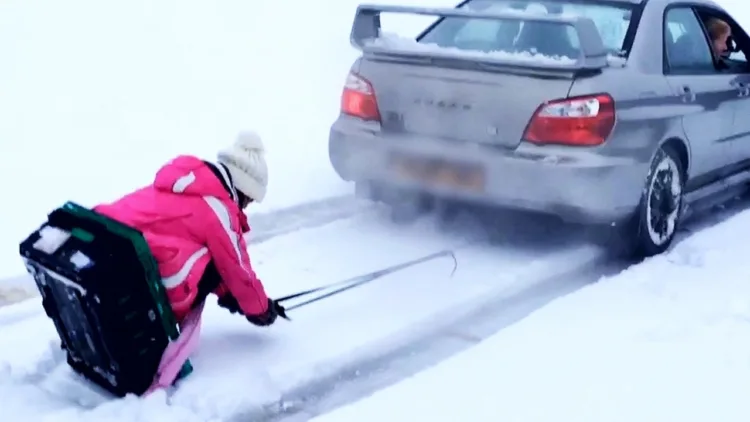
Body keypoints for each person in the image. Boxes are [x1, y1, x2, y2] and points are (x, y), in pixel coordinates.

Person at [94, 131, 284, 327]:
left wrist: (229, 294)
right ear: (244, 190)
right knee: (218, 256)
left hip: (105, 246)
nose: (245, 207)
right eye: (249, 200)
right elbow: (236, 267)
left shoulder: (185, 183)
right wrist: (260, 308)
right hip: (145, 288)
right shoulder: (218, 209)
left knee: (205, 250)